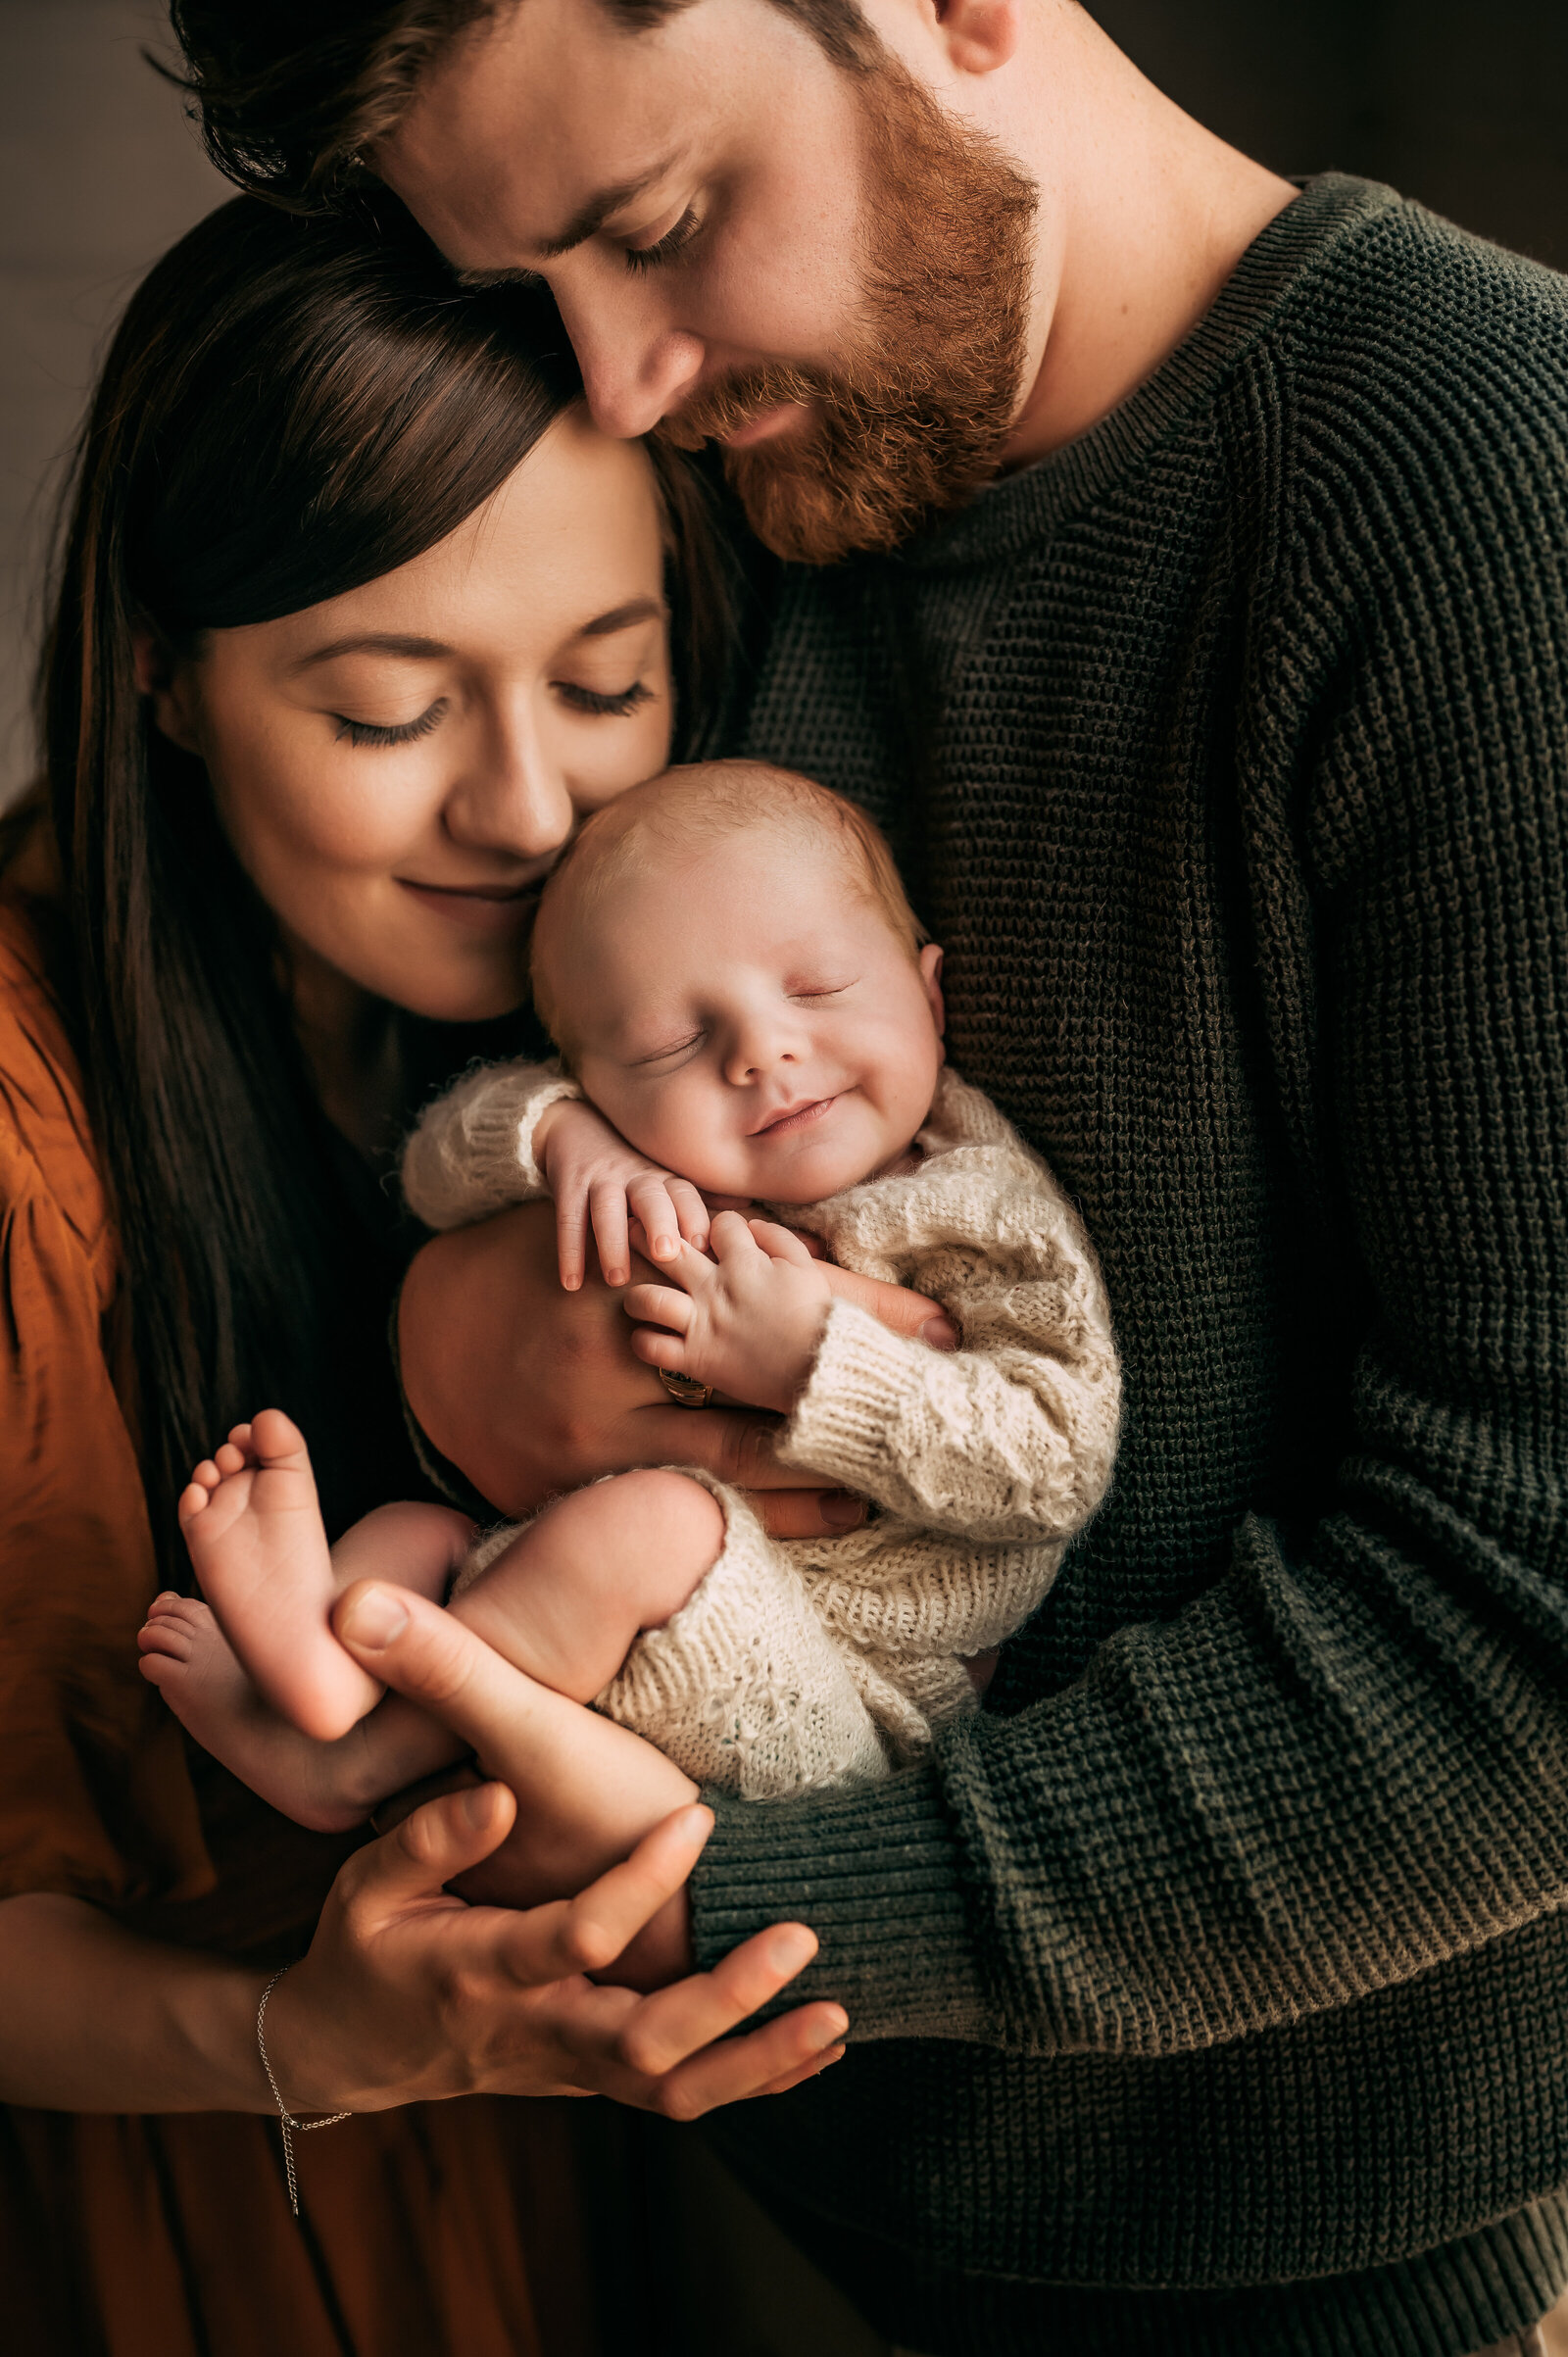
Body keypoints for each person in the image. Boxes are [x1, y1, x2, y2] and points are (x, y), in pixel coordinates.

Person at [167, 4, 1568, 2354]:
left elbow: (1529, 1599)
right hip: (716, 2167)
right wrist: (483, 1334)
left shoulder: (1483, 493)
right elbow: (449, 1162)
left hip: (1311, 2250)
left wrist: (755, 1903)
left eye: (661, 227)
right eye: (541, 296)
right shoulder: (736, 458)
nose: (609, 381)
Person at [0, 190, 956, 2354]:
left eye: (605, 680)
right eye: (383, 710)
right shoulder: (28, 1132)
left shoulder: (634, 1027)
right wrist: (306, 2030)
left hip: (552, 2186)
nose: (529, 803)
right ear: (162, 670)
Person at [139, 760, 1121, 1828]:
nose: (763, 1051)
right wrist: (560, 1135)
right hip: (557, 1621)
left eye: (818, 987)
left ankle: (360, 1758)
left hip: (840, 1700)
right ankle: (320, 1665)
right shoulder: (647, 1167)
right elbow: (435, 1168)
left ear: (927, 992)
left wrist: (816, 1359)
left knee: (654, 1522)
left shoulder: (975, 1206)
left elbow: (1057, 1463)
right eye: (672, 1043)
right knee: (420, 1536)